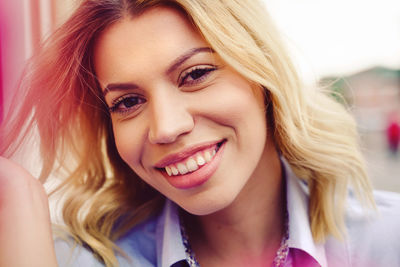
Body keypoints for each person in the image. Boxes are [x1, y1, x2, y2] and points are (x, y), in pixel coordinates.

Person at [1, 0, 399, 266]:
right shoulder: (86, 258)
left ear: (263, 76)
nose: (167, 127)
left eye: (195, 75)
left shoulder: (387, 240)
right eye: (127, 103)